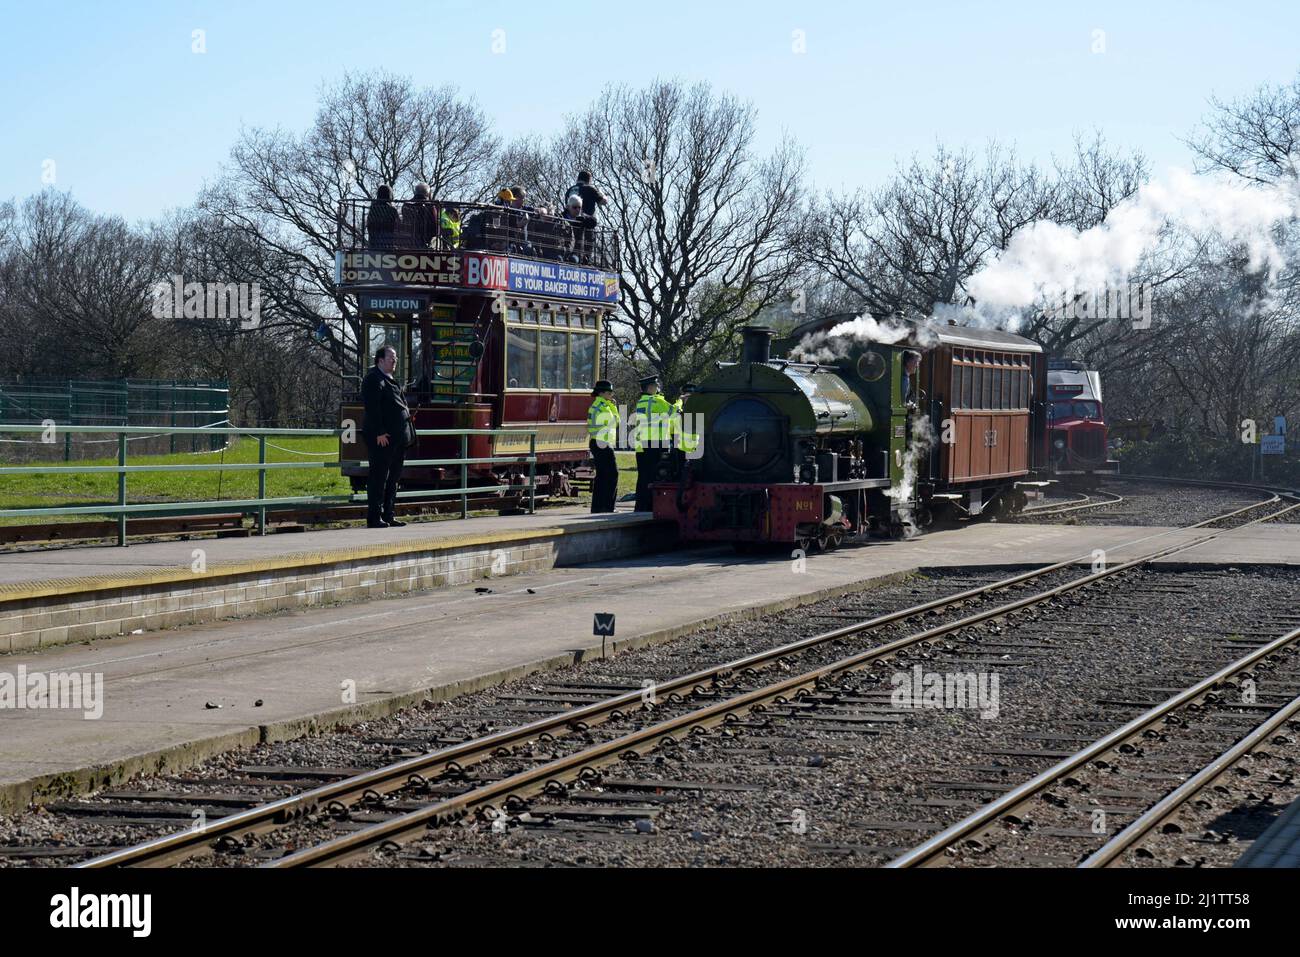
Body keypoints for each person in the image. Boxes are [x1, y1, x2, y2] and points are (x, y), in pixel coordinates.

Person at [361, 345, 416, 528]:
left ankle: (389, 514)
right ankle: (374, 517)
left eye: (395, 358)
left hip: (398, 439)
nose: (395, 361)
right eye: (391, 358)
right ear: (380, 360)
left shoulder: (391, 380)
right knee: (379, 477)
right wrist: (379, 431)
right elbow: (372, 408)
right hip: (383, 439)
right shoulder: (373, 379)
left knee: (393, 478)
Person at [632, 374, 673, 512]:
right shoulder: (656, 401)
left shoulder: (642, 401)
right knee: (656, 476)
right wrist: (682, 400)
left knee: (643, 476)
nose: (658, 387)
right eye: (656, 386)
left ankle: (640, 506)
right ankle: (651, 506)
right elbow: (675, 412)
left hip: (642, 445)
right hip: (656, 444)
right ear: (649, 387)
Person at [586, 380, 619, 513]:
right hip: (602, 443)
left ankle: (598, 507)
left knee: (602, 476)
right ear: (602, 393)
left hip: (598, 442)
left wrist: (612, 406)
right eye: (609, 392)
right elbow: (614, 422)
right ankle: (607, 507)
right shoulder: (602, 406)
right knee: (612, 474)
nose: (612, 394)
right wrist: (612, 407)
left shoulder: (600, 405)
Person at [563, 194, 598, 263]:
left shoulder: (582, 218)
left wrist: (583, 218)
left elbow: (594, 222)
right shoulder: (562, 217)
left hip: (576, 252)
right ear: (568, 207)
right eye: (574, 207)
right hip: (563, 249)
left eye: (579, 207)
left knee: (573, 260)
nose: (577, 210)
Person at [401, 183, 436, 247]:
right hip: (425, 241)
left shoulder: (406, 205)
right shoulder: (431, 206)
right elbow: (435, 227)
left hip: (408, 241)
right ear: (428, 193)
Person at [367, 184, 399, 249]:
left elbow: (369, 225)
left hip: (373, 243)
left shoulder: (373, 208)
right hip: (388, 244)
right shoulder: (392, 209)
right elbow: (398, 226)